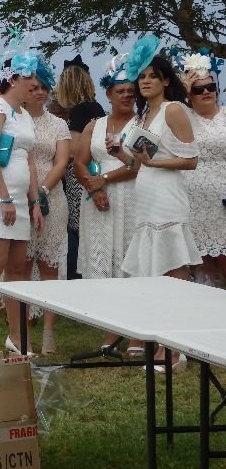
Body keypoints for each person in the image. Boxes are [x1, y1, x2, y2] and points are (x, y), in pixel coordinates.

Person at [118, 37, 200, 371]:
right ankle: (160, 344)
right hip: (146, 197)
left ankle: (175, 350)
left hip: (168, 197)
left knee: (173, 273)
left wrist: (154, 164)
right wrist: (120, 154)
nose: (146, 81)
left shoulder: (173, 110)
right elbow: (138, 165)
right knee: (152, 273)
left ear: (166, 80)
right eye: (142, 76)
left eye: (153, 76)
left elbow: (191, 160)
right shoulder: (142, 115)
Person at [0, 53, 44, 354]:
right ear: (13, 79)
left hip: (21, 201)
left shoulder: (25, 115)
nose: (34, 86)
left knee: (18, 269)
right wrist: (5, 198)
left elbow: (30, 160)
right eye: (29, 80)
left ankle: (17, 337)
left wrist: (35, 201)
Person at [74, 56, 140, 352]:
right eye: (120, 91)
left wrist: (105, 179)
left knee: (131, 261)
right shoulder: (94, 125)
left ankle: (136, 334)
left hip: (132, 197)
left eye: (131, 91)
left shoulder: (142, 123)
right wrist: (94, 188)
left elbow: (141, 165)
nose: (127, 96)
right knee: (104, 262)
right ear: (108, 93)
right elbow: (79, 162)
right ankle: (112, 331)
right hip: (99, 201)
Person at [21, 66, 69, 354]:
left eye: (43, 87)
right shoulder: (13, 120)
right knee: (22, 266)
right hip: (20, 197)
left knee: (50, 265)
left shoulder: (58, 124)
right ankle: (23, 334)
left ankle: (49, 333)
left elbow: (61, 162)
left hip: (53, 196)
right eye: (34, 87)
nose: (39, 92)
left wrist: (42, 191)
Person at [54, 55, 106, 280]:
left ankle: (77, 276)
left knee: (77, 230)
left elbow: (73, 150)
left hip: (78, 178)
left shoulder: (79, 111)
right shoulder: (97, 107)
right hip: (95, 171)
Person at [181, 52, 226, 288]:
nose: (206, 92)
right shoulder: (182, 116)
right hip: (193, 202)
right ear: (189, 94)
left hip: (223, 201)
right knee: (203, 267)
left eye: (210, 87)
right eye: (198, 89)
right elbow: (159, 110)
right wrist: (181, 87)